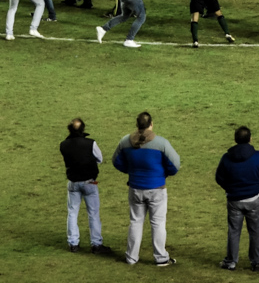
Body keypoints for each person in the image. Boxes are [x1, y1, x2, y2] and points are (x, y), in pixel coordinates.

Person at [111, 112, 180, 267]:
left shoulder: (125, 141)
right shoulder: (161, 143)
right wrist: (163, 174)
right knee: (158, 223)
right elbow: (175, 164)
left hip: (135, 188)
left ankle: (131, 257)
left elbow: (116, 161)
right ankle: (161, 258)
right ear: (151, 124)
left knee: (135, 222)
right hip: (157, 189)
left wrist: (131, 171)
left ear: (137, 124)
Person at [214, 126, 259, 272]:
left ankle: (231, 262)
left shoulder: (227, 158)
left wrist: (230, 188)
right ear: (250, 139)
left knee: (234, 231)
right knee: (255, 231)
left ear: (235, 140)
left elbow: (219, 178)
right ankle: (257, 262)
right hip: (254, 200)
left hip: (234, 200)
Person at [60, 118, 113, 255]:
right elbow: (100, 159)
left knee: (72, 212)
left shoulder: (63, 145)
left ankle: (73, 244)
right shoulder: (90, 143)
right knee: (93, 213)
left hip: (73, 183)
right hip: (89, 182)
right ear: (83, 129)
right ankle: (96, 245)